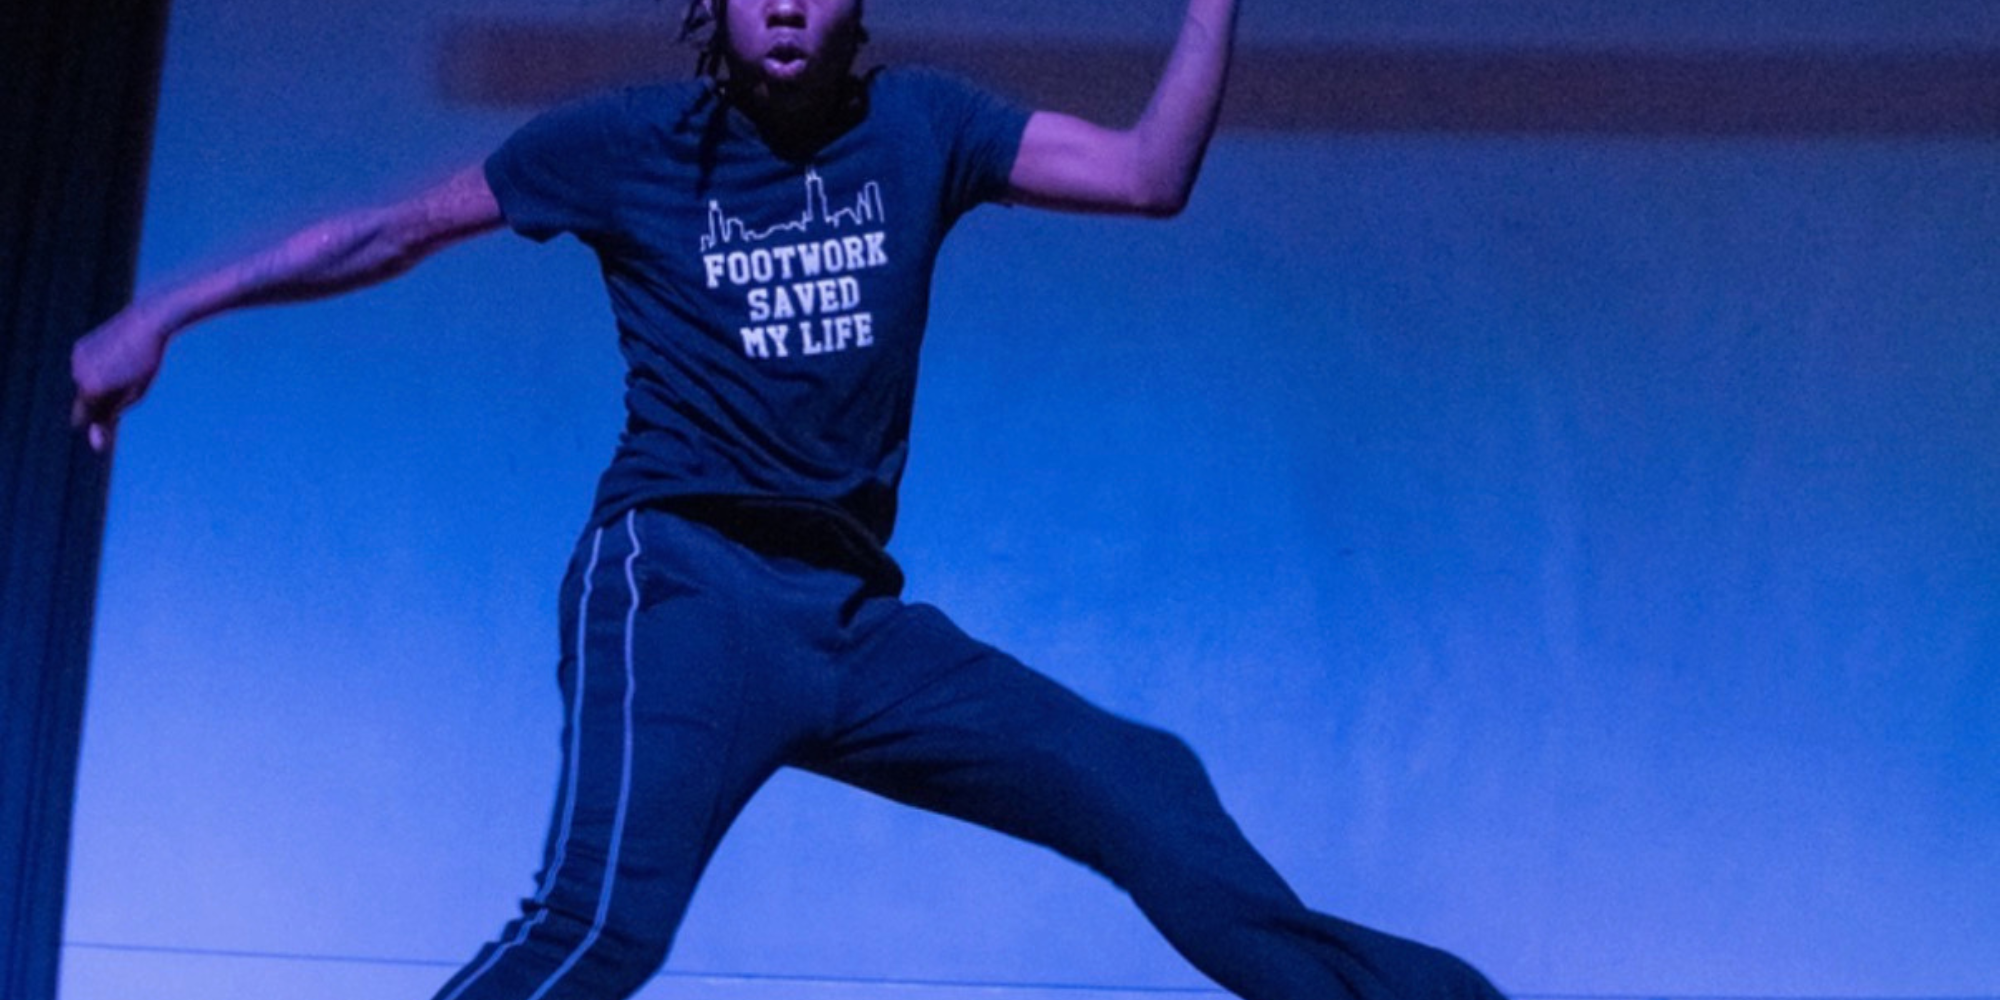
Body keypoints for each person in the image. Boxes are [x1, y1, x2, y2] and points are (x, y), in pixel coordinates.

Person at [71, 0, 1509, 997]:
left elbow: (1146, 176)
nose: (780, 10)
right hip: (680, 586)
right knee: (596, 932)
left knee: (1141, 780)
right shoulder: (629, 145)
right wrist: (165, 316)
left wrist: (1208, 11)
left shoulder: (926, 127)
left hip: (847, 621)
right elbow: (389, 229)